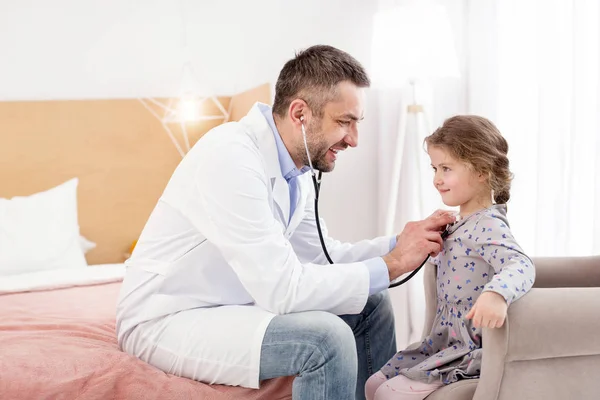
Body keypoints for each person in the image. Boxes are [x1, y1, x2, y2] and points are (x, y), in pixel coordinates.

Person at [115, 44, 454, 400]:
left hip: (233, 303)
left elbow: (323, 256)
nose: (354, 140)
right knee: (325, 339)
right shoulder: (230, 157)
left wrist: (399, 243)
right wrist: (393, 263)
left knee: (373, 304)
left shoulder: (297, 167)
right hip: (169, 316)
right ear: (300, 114)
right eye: (344, 122)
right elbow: (282, 289)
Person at [365, 115, 536, 400]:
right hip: (442, 341)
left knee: (388, 392)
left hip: (468, 349)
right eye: (434, 168)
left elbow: (521, 264)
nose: (436, 179)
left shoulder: (489, 224)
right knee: (373, 384)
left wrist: (497, 294)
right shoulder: (458, 223)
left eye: (446, 168)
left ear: (481, 171)